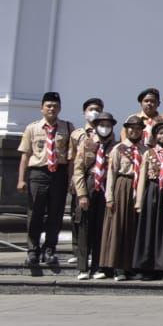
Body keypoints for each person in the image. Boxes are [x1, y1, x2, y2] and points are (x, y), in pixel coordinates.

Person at [16, 92, 74, 267]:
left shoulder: (67, 127)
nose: (52, 109)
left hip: (59, 174)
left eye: (55, 106)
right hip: (38, 174)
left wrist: (71, 179)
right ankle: (33, 250)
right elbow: (25, 156)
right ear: (42, 108)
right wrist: (21, 179)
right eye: (48, 106)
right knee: (35, 214)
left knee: (56, 214)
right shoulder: (32, 128)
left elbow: (71, 158)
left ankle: (50, 249)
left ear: (60, 108)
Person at [101, 115, 145, 281]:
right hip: (122, 186)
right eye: (131, 128)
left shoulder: (145, 150)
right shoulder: (118, 149)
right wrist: (110, 196)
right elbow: (111, 173)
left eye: (138, 128)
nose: (134, 131)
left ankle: (132, 265)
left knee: (134, 227)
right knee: (119, 225)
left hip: (139, 188)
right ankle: (118, 265)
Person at [71, 112, 115, 279]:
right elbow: (78, 170)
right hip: (89, 185)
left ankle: (98, 266)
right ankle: (82, 267)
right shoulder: (87, 144)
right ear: (96, 126)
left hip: (105, 188)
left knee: (100, 229)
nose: (105, 128)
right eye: (101, 124)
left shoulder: (115, 147)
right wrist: (82, 194)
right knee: (84, 228)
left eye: (108, 125)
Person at [132, 120, 163, 279]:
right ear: (156, 136)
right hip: (152, 190)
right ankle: (145, 267)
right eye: (160, 134)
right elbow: (142, 177)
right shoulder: (149, 153)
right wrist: (139, 201)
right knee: (148, 228)